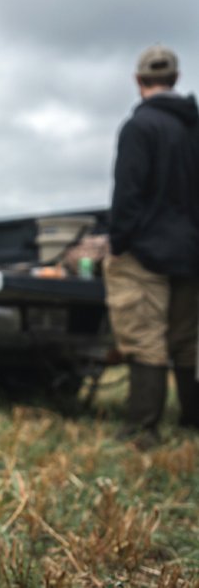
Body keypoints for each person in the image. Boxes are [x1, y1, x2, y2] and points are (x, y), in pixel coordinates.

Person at [106, 44, 199, 448]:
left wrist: (119, 243)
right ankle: (192, 420)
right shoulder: (194, 126)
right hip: (192, 252)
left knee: (145, 337)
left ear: (138, 80)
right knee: (188, 339)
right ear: (176, 79)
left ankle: (144, 427)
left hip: (146, 252)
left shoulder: (138, 127)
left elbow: (128, 194)